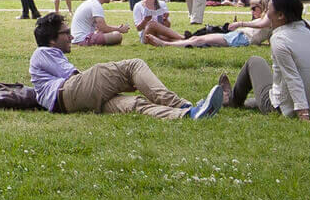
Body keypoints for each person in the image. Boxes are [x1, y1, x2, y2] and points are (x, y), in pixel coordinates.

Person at [28, 13, 225, 120]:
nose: (71, 36)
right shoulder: (42, 53)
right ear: (52, 41)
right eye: (66, 32)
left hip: (69, 105)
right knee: (133, 66)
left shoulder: (47, 56)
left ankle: (189, 115)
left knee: (134, 105)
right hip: (69, 93)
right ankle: (182, 104)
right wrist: (121, 82)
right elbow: (74, 79)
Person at [227, 0, 310, 119]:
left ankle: (232, 100)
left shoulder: (280, 39)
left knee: (255, 61)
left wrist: (303, 113)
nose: (266, 15)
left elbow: (292, 78)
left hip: (288, 108)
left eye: (268, 10)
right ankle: (239, 101)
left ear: (280, 15)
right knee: (263, 95)